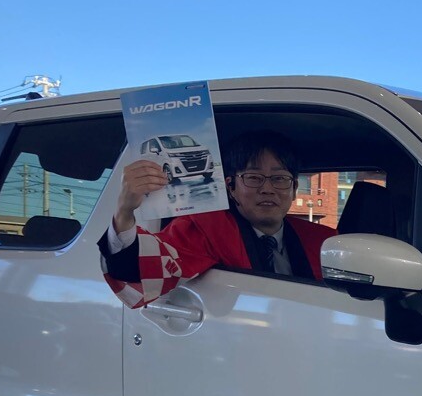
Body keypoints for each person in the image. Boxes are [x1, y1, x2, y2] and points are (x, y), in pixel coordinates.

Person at [99, 130, 336, 308]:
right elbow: (141, 269)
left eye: (280, 178)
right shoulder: (206, 230)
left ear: (294, 189)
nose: (267, 189)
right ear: (230, 188)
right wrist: (124, 211)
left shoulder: (324, 242)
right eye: (253, 178)